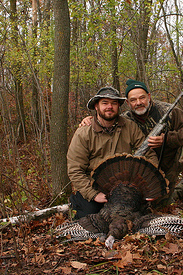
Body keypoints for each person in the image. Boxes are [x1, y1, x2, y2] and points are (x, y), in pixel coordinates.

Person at [80, 80, 183, 211]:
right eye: (133, 100)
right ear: (128, 103)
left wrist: (167, 139)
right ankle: (178, 191)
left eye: (142, 98)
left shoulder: (168, 111)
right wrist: (90, 119)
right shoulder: (125, 120)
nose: (138, 102)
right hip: (148, 172)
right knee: (159, 205)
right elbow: (106, 118)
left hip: (172, 162)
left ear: (149, 97)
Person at [67, 86, 159, 219]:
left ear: (119, 106)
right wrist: (93, 194)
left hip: (124, 188)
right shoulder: (83, 133)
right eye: (105, 103)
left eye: (114, 103)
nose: (109, 106)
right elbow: (75, 169)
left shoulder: (129, 126)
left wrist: (148, 186)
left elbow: (148, 154)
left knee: (136, 219)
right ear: (96, 107)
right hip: (94, 187)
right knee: (90, 220)